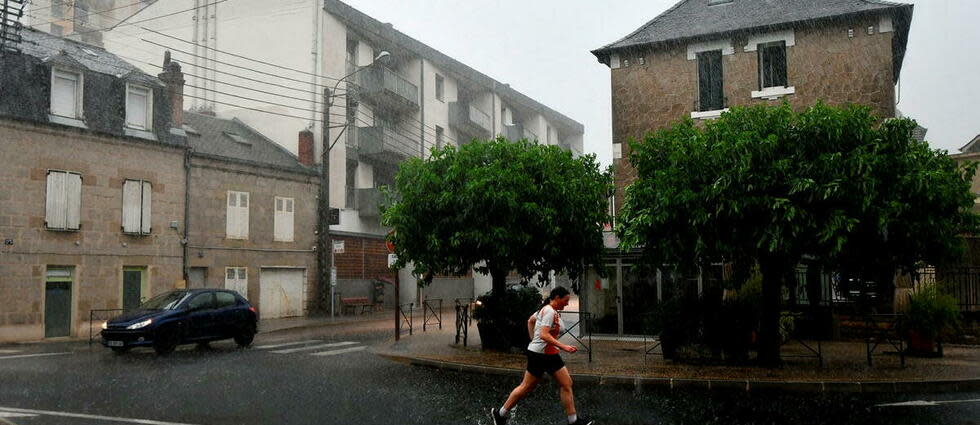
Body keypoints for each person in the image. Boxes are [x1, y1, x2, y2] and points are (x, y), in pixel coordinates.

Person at [490, 286, 593, 425]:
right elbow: (544, 334)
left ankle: (573, 421)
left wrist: (533, 340)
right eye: (566, 300)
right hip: (541, 355)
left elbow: (530, 321)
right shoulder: (549, 311)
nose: (567, 303)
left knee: (565, 383)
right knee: (527, 386)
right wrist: (563, 347)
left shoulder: (547, 310)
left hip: (547, 353)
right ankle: (500, 414)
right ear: (557, 298)